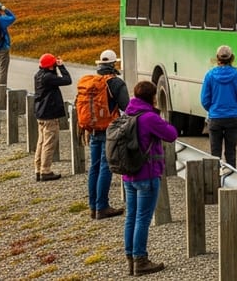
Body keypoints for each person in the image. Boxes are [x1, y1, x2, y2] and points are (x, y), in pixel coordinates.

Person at [122, 80, 178, 276]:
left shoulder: (128, 113)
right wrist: (160, 116)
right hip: (147, 173)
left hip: (129, 174)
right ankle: (140, 260)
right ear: (152, 97)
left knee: (131, 217)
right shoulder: (149, 118)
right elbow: (171, 135)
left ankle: (130, 258)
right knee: (142, 219)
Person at [80, 49, 129, 219]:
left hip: (93, 129)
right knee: (106, 167)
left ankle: (93, 207)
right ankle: (102, 206)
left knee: (94, 167)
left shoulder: (92, 81)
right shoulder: (115, 82)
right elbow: (126, 107)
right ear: (114, 64)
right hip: (109, 130)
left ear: (100, 64)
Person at [199, 45, 237, 167]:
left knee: (215, 152)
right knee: (231, 151)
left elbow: (204, 99)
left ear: (217, 58)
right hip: (233, 118)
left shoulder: (210, 75)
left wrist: (212, 109)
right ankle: (231, 177)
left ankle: (215, 179)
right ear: (232, 58)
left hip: (215, 118)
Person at [32, 52, 71, 181]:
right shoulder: (49, 77)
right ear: (51, 66)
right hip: (49, 115)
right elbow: (67, 80)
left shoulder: (38, 75)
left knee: (41, 142)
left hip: (41, 114)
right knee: (49, 143)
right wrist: (62, 67)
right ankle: (46, 171)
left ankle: (38, 169)